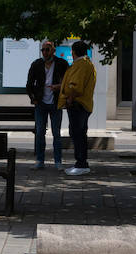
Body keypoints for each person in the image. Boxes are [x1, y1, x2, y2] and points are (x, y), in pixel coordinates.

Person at [26, 41, 69, 170]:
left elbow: (68, 82)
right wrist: (33, 98)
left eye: (47, 50)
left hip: (56, 103)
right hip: (41, 103)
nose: (45, 52)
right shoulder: (36, 64)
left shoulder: (61, 63)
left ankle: (58, 161)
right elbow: (29, 84)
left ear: (53, 50)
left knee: (56, 133)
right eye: (43, 50)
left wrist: (59, 87)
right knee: (40, 133)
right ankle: (40, 160)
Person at [59, 41, 96, 176]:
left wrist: (69, 99)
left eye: (72, 51)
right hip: (81, 104)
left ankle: (81, 164)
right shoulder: (86, 63)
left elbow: (76, 86)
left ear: (74, 52)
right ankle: (80, 163)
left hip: (77, 104)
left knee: (78, 134)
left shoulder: (82, 64)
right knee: (78, 133)